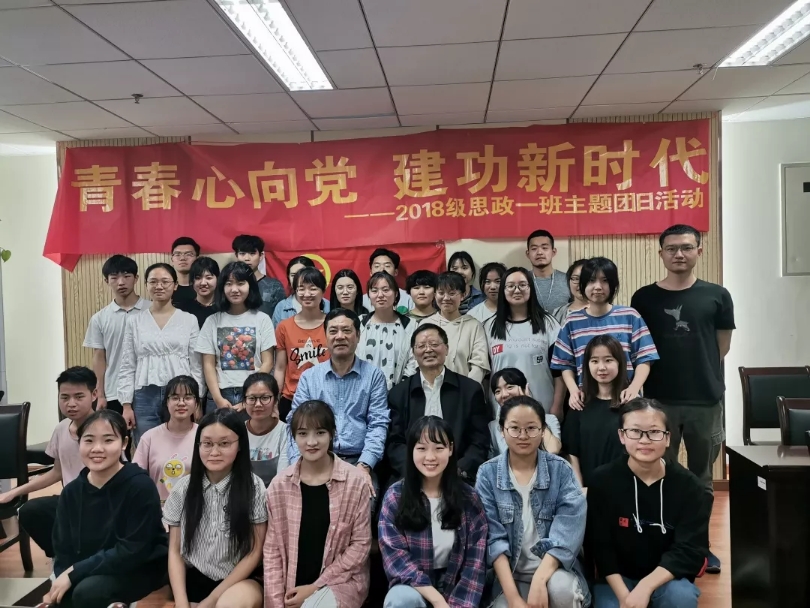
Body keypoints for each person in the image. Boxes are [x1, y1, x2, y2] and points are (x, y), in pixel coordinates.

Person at [630, 224, 734, 574]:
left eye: (687, 247)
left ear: (699, 251)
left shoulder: (717, 295)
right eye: (672, 248)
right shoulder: (643, 298)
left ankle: (700, 547)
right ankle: (668, 545)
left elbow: (721, 347)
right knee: (662, 474)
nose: (679, 254)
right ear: (660, 253)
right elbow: (640, 349)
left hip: (705, 400)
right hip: (660, 402)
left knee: (702, 479)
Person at [589, 399, 711, 608]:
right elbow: (600, 547)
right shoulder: (602, 481)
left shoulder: (690, 487)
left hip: (667, 579)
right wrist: (625, 597)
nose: (644, 440)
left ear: (667, 438)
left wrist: (645, 587)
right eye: (635, 431)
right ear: (621, 436)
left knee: (681, 598)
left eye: (654, 432)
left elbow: (690, 549)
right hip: (618, 580)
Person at [45, 410, 168, 608]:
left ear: (124, 443)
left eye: (108, 440)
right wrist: (63, 577)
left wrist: (75, 573)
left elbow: (133, 550)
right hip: (91, 565)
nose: (97, 448)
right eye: (89, 440)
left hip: (139, 566)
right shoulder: (72, 491)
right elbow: (62, 548)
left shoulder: (140, 486)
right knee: (63, 597)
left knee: (87, 593)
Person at [475, 396, 589, 608]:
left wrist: (540, 579)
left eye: (531, 428)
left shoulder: (561, 470)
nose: (523, 435)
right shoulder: (487, 474)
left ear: (543, 430)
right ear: (502, 430)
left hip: (555, 571)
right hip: (509, 576)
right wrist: (514, 599)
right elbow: (493, 540)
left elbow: (567, 533)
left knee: (561, 590)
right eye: (514, 428)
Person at [264, 400, 371, 608]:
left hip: (340, 583)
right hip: (290, 587)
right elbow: (272, 552)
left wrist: (315, 587)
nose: (311, 442)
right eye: (303, 434)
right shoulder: (279, 486)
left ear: (332, 434)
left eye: (320, 432)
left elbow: (361, 546)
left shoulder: (355, 482)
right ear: (294, 437)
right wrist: (277, 603)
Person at [378, 417, 488, 608]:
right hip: (414, 587)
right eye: (421, 448)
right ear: (411, 450)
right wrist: (437, 601)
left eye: (438, 448)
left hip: (456, 586)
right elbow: (397, 560)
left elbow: (475, 564)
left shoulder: (469, 498)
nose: (430, 457)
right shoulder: (395, 496)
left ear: (450, 449)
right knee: (400, 600)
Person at [163, 409, 267, 608]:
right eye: (207, 444)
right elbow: (175, 551)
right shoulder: (183, 488)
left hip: (240, 579)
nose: (214, 452)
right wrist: (182, 603)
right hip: (194, 576)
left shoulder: (254, 487)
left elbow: (255, 551)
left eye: (224, 444)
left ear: (240, 445)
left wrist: (211, 600)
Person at [287, 308, 389, 504]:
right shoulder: (310, 377)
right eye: (333, 331)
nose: (340, 336)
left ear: (358, 336)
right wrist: (297, 464)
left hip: (358, 460)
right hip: (316, 457)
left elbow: (378, 424)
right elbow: (295, 423)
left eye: (346, 330)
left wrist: (364, 466)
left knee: (365, 503)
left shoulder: (374, 376)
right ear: (325, 337)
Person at [0, 367, 97, 558]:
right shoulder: (61, 429)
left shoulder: (106, 427)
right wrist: (12, 493)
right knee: (30, 511)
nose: (71, 404)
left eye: (79, 396)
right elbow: (57, 472)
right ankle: (61, 558)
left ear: (94, 394)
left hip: (101, 502)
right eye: (64, 397)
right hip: (71, 501)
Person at [387, 323, 491, 483]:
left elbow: (479, 441)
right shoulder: (398, 393)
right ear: (413, 353)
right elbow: (394, 442)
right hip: (411, 476)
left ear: (446, 349)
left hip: (458, 476)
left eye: (434, 344)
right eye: (421, 346)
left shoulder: (470, 390)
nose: (428, 350)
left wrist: (458, 470)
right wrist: (415, 471)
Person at [551, 257, 659, 410]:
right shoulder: (571, 321)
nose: (598, 287)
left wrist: (634, 388)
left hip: (626, 400)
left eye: (605, 281)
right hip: (586, 403)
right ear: (583, 285)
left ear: (613, 285)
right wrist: (574, 390)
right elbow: (564, 363)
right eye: (591, 281)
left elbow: (644, 358)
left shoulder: (630, 316)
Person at [118, 262, 203, 445]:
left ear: (175, 285)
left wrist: (197, 400)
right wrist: (126, 405)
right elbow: (127, 364)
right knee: (147, 446)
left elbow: (196, 365)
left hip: (181, 394)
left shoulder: (189, 320)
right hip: (144, 395)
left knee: (182, 445)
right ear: (146, 285)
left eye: (165, 281)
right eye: (153, 282)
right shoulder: (135, 321)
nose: (159, 286)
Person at [484, 266, 564, 420]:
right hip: (502, 412)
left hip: (543, 407)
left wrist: (557, 405)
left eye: (522, 285)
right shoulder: (489, 327)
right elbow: (486, 376)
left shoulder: (549, 324)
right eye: (510, 286)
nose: (516, 290)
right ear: (503, 290)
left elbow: (559, 371)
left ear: (531, 288)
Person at [196, 261, 276, 414]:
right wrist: (218, 398)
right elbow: (208, 365)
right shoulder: (212, 321)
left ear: (250, 286)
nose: (234, 289)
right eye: (229, 284)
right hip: (220, 393)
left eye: (240, 283)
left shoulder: (262, 319)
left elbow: (268, 362)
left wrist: (250, 396)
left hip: (255, 395)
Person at [83, 254, 149, 415]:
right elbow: (99, 357)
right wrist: (100, 394)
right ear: (106, 281)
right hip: (114, 391)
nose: (121, 282)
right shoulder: (100, 318)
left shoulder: (152, 310)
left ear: (136, 278)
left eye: (127, 276)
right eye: (114, 277)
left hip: (148, 389)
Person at [562, 335, 628, 489]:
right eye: (595, 361)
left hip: (624, 489)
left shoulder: (631, 406)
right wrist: (580, 491)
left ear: (620, 363)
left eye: (608, 360)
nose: (601, 367)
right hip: (588, 490)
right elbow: (572, 454)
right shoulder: (579, 405)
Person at [409, 271, 489, 384]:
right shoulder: (425, 325)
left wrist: (467, 389)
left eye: (452, 293)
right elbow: (417, 360)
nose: (446, 298)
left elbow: (479, 364)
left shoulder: (474, 326)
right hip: (431, 388)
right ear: (435, 295)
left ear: (462, 295)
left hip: (465, 389)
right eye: (441, 293)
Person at [275, 267, 331, 422]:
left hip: (326, 398)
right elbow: (280, 368)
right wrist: (275, 400)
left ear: (323, 291)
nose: (307, 294)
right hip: (291, 399)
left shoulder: (332, 325)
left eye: (313, 288)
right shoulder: (284, 327)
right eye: (301, 288)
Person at [133, 375, 200, 502]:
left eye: (188, 397)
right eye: (175, 398)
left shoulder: (204, 436)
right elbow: (136, 479)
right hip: (158, 508)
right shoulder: (149, 437)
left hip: (194, 508)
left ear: (196, 403)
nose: (181, 403)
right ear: (166, 402)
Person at [358, 271, 417, 389]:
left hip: (400, 392)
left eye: (386, 290)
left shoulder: (410, 325)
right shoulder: (360, 323)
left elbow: (413, 361)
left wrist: (400, 390)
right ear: (369, 295)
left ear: (396, 293)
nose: (380, 295)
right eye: (374, 291)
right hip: (363, 390)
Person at [488, 368, 561, 457]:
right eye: (497, 391)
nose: (504, 394)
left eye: (510, 387)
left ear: (524, 388)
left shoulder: (549, 419)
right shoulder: (493, 427)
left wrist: (528, 406)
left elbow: (553, 450)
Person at [233, 234, 286, 319]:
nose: (247, 258)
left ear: (261, 256)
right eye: (242, 253)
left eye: (252, 253)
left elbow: (281, 317)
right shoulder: (230, 285)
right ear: (236, 255)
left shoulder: (274, 286)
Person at [243, 372, 289, 470]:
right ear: (244, 402)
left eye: (265, 398)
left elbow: (284, 473)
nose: (258, 404)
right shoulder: (237, 431)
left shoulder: (285, 432)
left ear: (275, 400)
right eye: (251, 398)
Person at [273, 255, 331, 325]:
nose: (297, 278)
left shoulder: (328, 305)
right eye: (293, 275)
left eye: (302, 273)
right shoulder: (282, 307)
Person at [526, 230, 570, 312]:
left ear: (553, 252)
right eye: (534, 248)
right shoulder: (522, 281)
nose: (539, 252)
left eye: (545, 248)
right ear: (528, 254)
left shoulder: (568, 280)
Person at [362, 248, 414, 314]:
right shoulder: (362, 301)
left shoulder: (408, 298)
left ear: (396, 272)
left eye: (387, 266)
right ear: (371, 272)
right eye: (377, 266)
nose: (382, 269)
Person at [184, 256, 220, 329]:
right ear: (192, 281)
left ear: (218, 279)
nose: (203, 283)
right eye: (198, 278)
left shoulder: (225, 308)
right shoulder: (183, 309)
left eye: (208, 278)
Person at [552, 259, 589, 326]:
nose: (581, 284)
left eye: (586, 279)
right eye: (576, 279)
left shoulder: (603, 310)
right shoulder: (558, 313)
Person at [170, 236, 200, 310]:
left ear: (197, 259)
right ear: (172, 260)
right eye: (177, 254)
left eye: (188, 254)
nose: (182, 258)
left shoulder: (204, 288)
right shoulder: (166, 289)